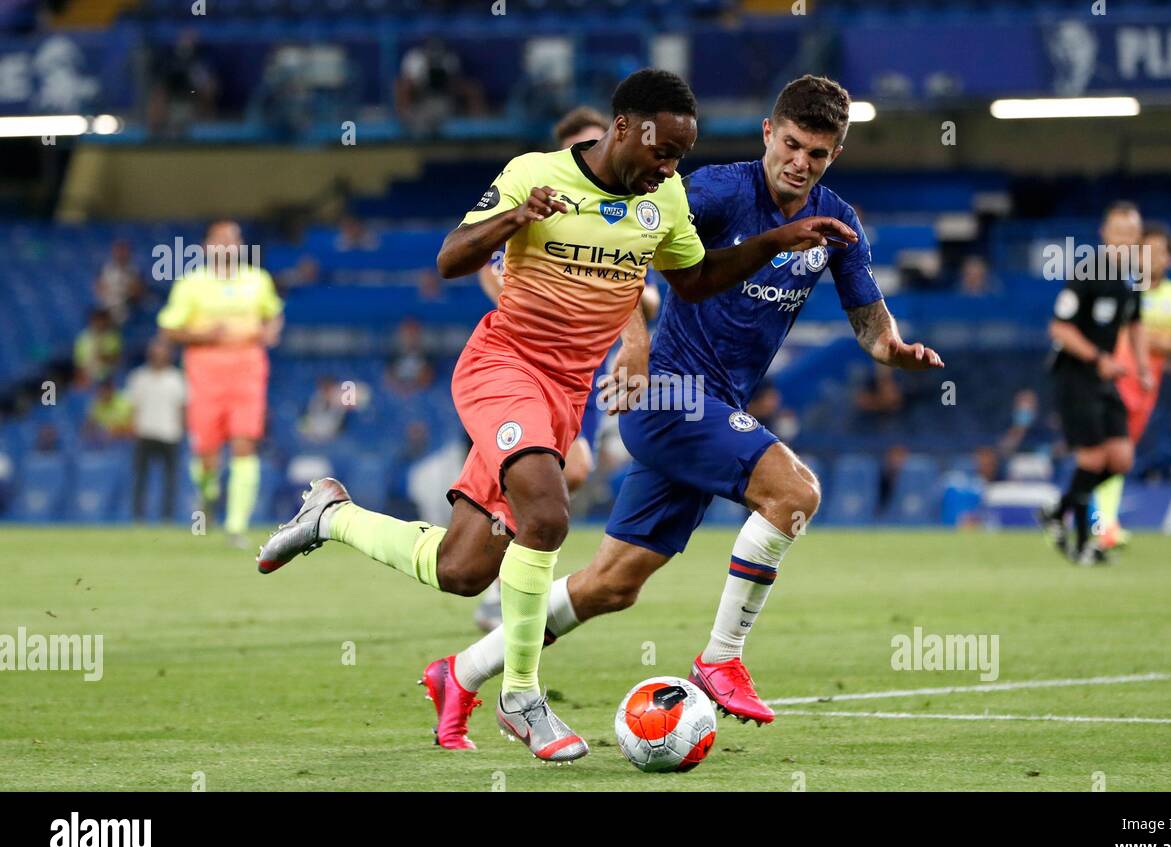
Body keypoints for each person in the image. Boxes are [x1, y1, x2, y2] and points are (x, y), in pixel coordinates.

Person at [255, 68, 857, 763]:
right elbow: (452, 258)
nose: (669, 168)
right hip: (502, 368)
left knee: (462, 569)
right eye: (662, 151)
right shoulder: (534, 174)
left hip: (563, 394)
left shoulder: (661, 201)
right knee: (547, 515)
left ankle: (330, 516)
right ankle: (521, 696)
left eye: (680, 157)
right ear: (623, 128)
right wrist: (516, 220)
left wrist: (771, 245)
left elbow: (695, 279)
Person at [429, 74, 940, 749]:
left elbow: (869, 321)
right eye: (791, 144)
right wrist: (634, 344)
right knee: (792, 491)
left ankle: (460, 673)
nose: (799, 162)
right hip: (667, 396)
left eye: (817, 154)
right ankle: (720, 658)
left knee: (612, 585)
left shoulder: (836, 223)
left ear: (834, 156)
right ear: (768, 132)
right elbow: (630, 255)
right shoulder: (719, 192)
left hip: (713, 409)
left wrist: (893, 349)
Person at [470, 105, 661, 633]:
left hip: (584, 367)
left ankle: (495, 572)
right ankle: (497, 585)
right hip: (522, 363)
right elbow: (493, 274)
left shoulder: (629, 212)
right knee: (555, 476)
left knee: (565, 476)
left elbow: (647, 297)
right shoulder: (537, 200)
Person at [157, 220, 284, 546]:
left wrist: (271, 330)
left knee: (245, 442)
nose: (227, 245)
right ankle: (207, 493)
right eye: (220, 240)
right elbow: (170, 329)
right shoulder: (191, 284)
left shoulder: (258, 280)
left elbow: (273, 314)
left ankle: (236, 526)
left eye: (233, 239)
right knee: (206, 452)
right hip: (205, 374)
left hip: (247, 371)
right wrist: (202, 334)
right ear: (206, 247)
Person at [1038, 202, 1151, 565]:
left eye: (1130, 235)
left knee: (1121, 458)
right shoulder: (1088, 271)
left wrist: (1144, 367)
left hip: (1104, 377)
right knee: (1093, 456)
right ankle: (1086, 546)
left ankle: (1058, 509)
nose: (1123, 241)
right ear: (1104, 234)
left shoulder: (1133, 277)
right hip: (1077, 375)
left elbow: (1135, 324)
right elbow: (1059, 327)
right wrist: (1098, 358)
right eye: (1117, 233)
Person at [1093, 221, 1171, 550]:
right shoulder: (1120, 289)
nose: (1150, 258)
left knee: (1121, 453)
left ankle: (1088, 518)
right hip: (1118, 379)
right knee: (1114, 448)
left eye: (1158, 252)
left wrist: (1153, 340)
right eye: (1144, 251)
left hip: (1148, 385)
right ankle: (1103, 524)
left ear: (1169, 259)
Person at [125, 339, 186, 521]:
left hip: (170, 434)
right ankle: (138, 516)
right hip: (145, 433)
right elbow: (133, 407)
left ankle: (167, 517)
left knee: (170, 479)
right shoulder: (138, 377)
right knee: (140, 478)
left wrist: (182, 428)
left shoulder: (177, 378)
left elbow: (182, 407)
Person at [73, 308, 122, 388]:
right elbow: (79, 363)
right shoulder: (83, 338)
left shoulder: (112, 337)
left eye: (101, 321)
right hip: (88, 378)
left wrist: (101, 352)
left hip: (108, 378)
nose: (99, 324)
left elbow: (115, 359)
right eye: (96, 321)